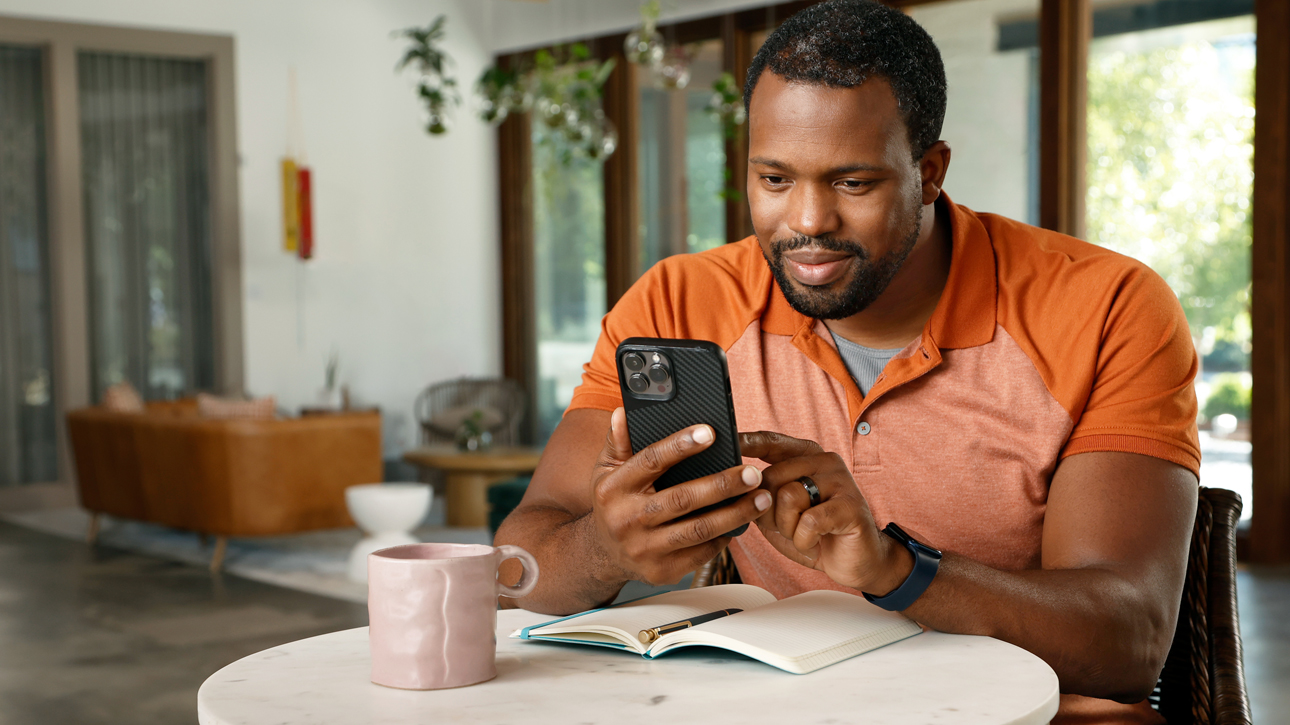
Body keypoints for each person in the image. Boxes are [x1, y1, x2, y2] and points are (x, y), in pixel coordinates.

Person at [495, 2, 1200, 723]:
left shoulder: (1107, 306)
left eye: (852, 183)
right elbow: (519, 567)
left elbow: (1131, 638)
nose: (805, 222)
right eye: (774, 180)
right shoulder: (678, 301)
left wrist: (897, 570)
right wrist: (607, 548)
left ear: (929, 172)